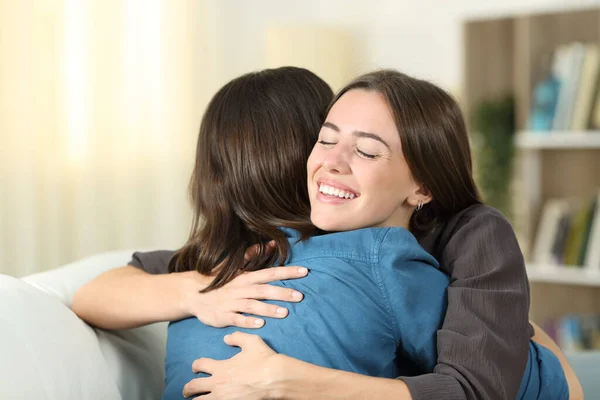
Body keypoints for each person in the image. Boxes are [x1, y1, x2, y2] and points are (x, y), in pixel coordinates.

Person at [72, 68, 581, 400]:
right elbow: (92, 295)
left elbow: (481, 384)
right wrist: (197, 293)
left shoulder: (465, 233)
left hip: (528, 364)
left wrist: (295, 382)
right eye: (326, 140)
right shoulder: (244, 259)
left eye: (366, 149)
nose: (331, 164)